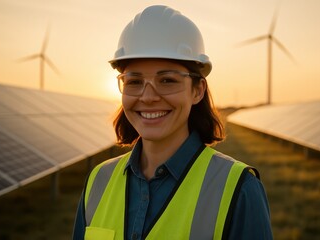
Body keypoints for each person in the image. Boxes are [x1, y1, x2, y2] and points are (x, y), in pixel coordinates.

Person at [73, 5, 272, 240]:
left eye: (167, 80)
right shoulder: (98, 181)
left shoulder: (240, 189)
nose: (148, 97)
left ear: (197, 90)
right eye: (134, 81)